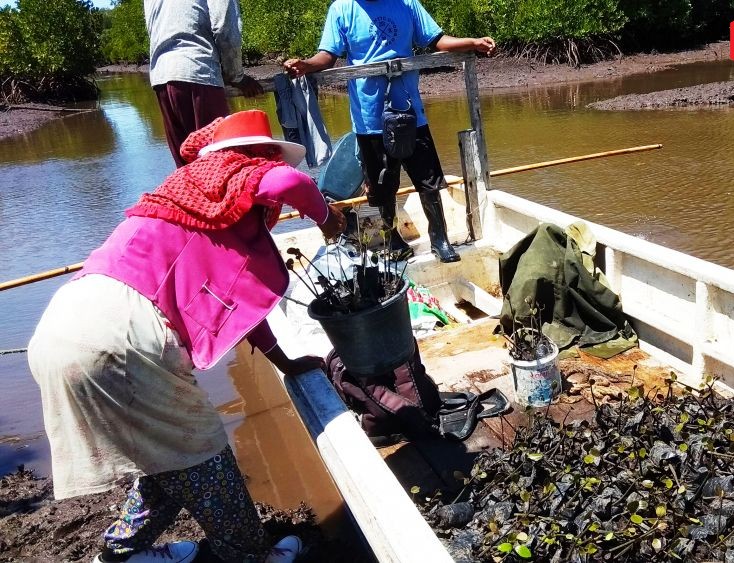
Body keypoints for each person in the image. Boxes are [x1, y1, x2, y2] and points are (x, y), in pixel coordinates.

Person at [27, 110, 346, 563]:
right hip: (123, 337)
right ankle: (249, 554)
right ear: (251, 162)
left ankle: (118, 553)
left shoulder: (184, 203)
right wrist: (327, 217)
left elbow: (240, 314)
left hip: (61, 327)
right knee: (203, 451)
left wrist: (288, 364)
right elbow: (286, 184)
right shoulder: (235, 186)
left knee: (164, 459)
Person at [283, 0, 497, 263]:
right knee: (382, 182)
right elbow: (328, 55)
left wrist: (472, 42)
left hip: (409, 111)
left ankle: (439, 238)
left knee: (427, 177)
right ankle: (392, 237)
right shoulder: (342, 8)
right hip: (368, 117)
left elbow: (437, 40)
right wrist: (306, 65)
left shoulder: (407, 3)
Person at [145, 0, 265, 167]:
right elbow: (225, 28)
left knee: (187, 171)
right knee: (220, 164)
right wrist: (237, 77)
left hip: (161, 76)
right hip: (198, 68)